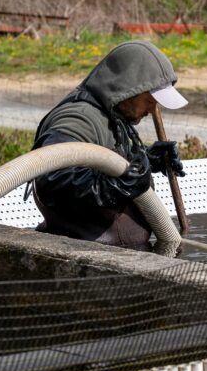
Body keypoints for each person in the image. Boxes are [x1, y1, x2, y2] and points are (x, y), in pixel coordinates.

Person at [29, 41, 188, 249]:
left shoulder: (112, 116)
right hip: (83, 258)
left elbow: (103, 163)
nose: (152, 110)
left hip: (120, 254)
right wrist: (115, 186)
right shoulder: (78, 119)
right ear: (127, 89)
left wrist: (148, 160)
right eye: (150, 100)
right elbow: (51, 179)